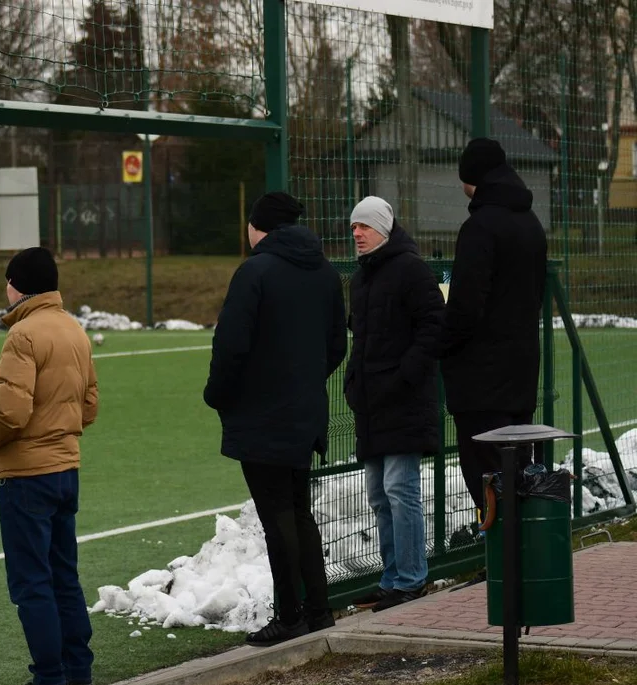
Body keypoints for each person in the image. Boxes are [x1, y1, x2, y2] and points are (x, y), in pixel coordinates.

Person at [203, 191, 347, 646]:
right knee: (298, 511)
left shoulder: (255, 272)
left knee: (277, 516)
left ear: (258, 226)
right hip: (304, 411)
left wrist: (219, 394)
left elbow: (231, 345)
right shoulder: (323, 271)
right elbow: (337, 344)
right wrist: (303, 381)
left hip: (262, 415)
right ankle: (318, 608)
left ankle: (289, 614)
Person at [0, 247, 100, 685]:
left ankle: (48, 683)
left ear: (18, 285)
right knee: (64, 576)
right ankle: (78, 677)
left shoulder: (23, 335)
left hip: (28, 475)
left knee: (32, 583)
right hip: (66, 469)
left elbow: (9, 411)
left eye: (8, 281)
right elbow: (89, 405)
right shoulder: (74, 329)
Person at [343, 197, 445, 612]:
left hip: (403, 400)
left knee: (400, 490)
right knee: (379, 495)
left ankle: (412, 578)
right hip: (371, 403)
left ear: (383, 228)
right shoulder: (361, 278)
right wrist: (355, 383)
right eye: (353, 227)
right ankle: (392, 578)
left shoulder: (411, 270)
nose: (357, 233)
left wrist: (405, 375)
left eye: (364, 226)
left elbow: (435, 326)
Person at [440, 138, 548, 513]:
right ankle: (523, 566)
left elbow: (465, 308)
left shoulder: (479, 228)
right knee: (518, 478)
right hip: (520, 375)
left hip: (481, 383)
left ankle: (503, 568)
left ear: (471, 179)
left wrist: (442, 345)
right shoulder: (532, 224)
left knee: (487, 484)